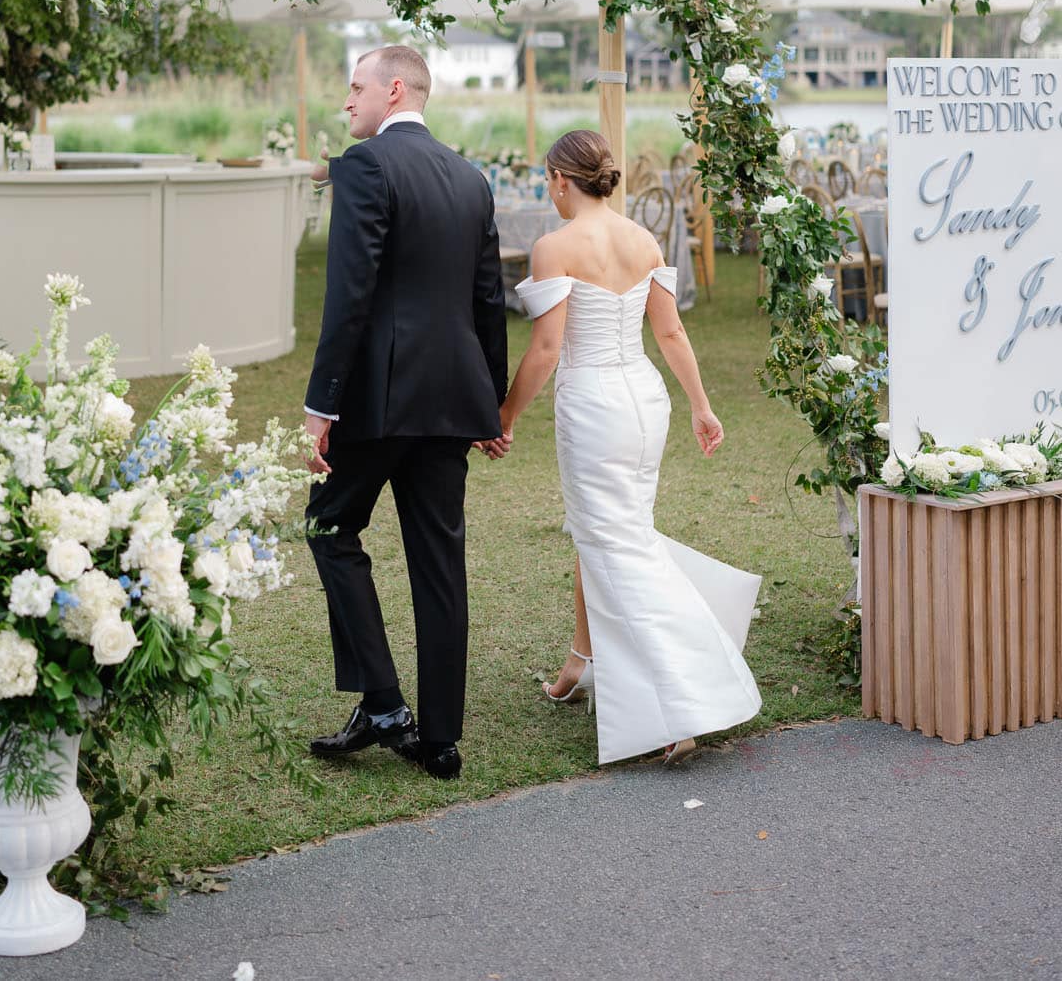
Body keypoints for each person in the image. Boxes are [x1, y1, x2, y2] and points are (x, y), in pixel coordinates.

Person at [500, 129, 761, 766]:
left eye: (547, 180)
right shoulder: (644, 239)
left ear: (563, 179)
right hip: (646, 400)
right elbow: (669, 331)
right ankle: (579, 665)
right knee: (608, 534)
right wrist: (700, 404)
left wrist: (504, 416)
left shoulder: (552, 247)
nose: (548, 190)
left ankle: (683, 702)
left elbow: (547, 349)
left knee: (614, 541)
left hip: (592, 404)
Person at [303, 44, 508, 781]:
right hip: (452, 400)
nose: (345, 102)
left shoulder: (362, 167)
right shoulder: (468, 176)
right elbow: (488, 296)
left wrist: (319, 405)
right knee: (439, 563)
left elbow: (349, 293)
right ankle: (441, 740)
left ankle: (385, 703)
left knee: (326, 525)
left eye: (353, 87)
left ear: (393, 90)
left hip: (379, 400)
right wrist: (490, 403)